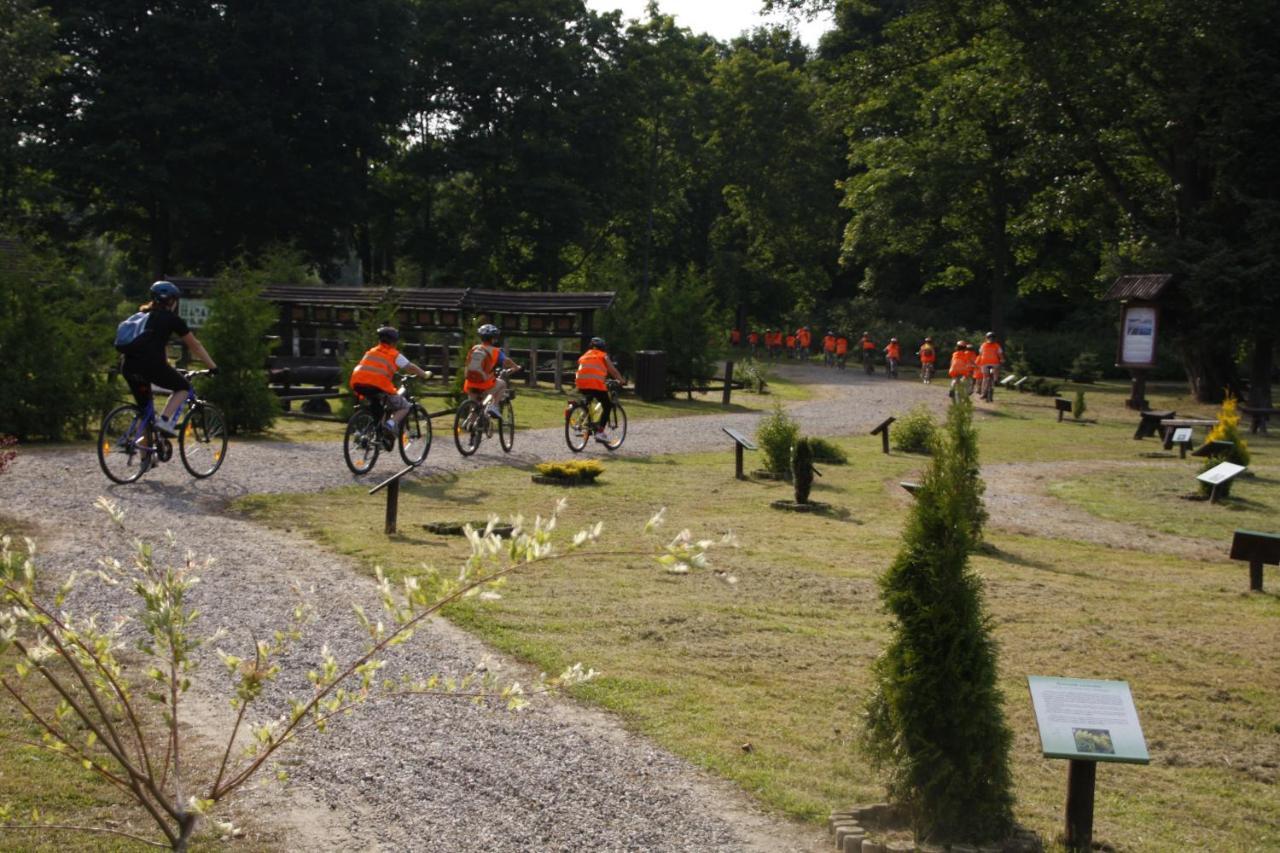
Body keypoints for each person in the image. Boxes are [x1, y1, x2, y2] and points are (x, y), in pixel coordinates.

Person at [118, 281, 218, 436]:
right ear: (172, 301)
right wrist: (212, 367)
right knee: (184, 387)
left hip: (129, 367)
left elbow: (152, 344)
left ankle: (145, 458)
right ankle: (164, 421)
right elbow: (195, 346)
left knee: (146, 413)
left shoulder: (142, 316)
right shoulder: (172, 319)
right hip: (151, 367)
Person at [349, 325, 431, 434]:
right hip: (377, 386)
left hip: (358, 384)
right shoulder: (393, 354)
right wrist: (424, 374)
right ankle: (390, 424)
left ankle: (376, 432)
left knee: (378, 407)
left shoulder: (371, 352)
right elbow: (410, 367)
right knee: (405, 406)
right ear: (394, 341)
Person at [463, 324, 521, 418]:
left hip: (470, 383)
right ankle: (493, 406)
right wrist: (516, 367)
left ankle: (470, 423)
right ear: (493, 339)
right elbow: (507, 361)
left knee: (474, 407)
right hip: (485, 384)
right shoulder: (496, 351)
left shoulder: (474, 348)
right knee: (502, 384)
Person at [576, 337, 626, 442]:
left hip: (581, 383)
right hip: (595, 385)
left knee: (588, 399)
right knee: (607, 405)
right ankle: (600, 432)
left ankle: (581, 421)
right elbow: (613, 371)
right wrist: (621, 380)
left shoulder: (585, 355)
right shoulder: (603, 356)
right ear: (603, 347)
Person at [977, 331, 1004, 400]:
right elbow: (1000, 354)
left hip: (985, 363)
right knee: (995, 371)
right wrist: (1002, 359)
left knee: (985, 378)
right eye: (990, 337)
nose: (991, 339)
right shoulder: (996, 345)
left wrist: (978, 362)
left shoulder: (983, 345)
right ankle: (995, 379)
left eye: (992, 338)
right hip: (992, 363)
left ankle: (983, 394)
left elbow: (980, 354)